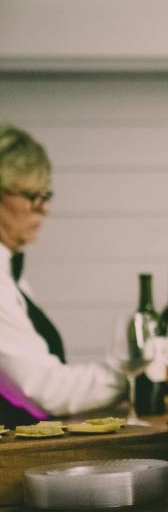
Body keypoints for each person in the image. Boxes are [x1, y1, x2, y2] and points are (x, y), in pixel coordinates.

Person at [0, 125, 126, 425]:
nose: (44, 210)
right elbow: (45, 389)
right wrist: (133, 372)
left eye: (46, 195)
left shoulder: (12, 274)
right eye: (33, 196)